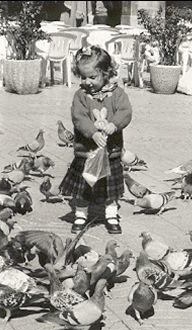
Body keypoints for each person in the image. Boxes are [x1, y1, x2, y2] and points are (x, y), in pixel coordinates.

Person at [59, 46, 132, 235]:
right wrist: (92, 132)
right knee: (84, 187)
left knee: (110, 190)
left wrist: (114, 125)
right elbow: (79, 117)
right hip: (86, 151)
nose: (87, 82)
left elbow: (125, 112)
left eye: (93, 77)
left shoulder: (117, 94)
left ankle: (111, 214)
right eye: (83, 77)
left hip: (111, 151)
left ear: (106, 73)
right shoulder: (81, 96)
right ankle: (81, 214)